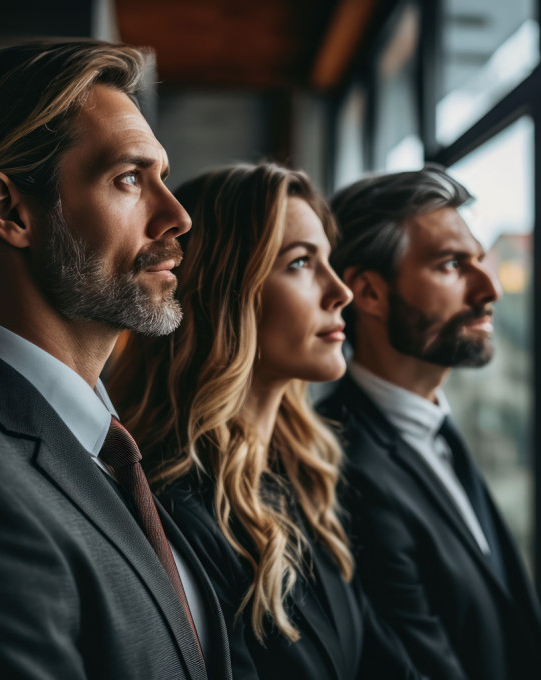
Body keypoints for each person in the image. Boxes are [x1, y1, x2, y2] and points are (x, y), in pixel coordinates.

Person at [0, 41, 230, 679]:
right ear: (10, 211)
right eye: (129, 178)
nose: (177, 216)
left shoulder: (105, 444)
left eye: (162, 175)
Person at [108, 162, 418, 680]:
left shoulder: (303, 472)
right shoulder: (168, 504)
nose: (340, 291)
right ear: (224, 292)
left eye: (329, 261)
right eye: (300, 263)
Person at [317, 165, 541, 680]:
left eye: (480, 262)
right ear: (369, 293)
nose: (489, 290)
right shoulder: (335, 463)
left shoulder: (438, 430)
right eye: (451, 265)